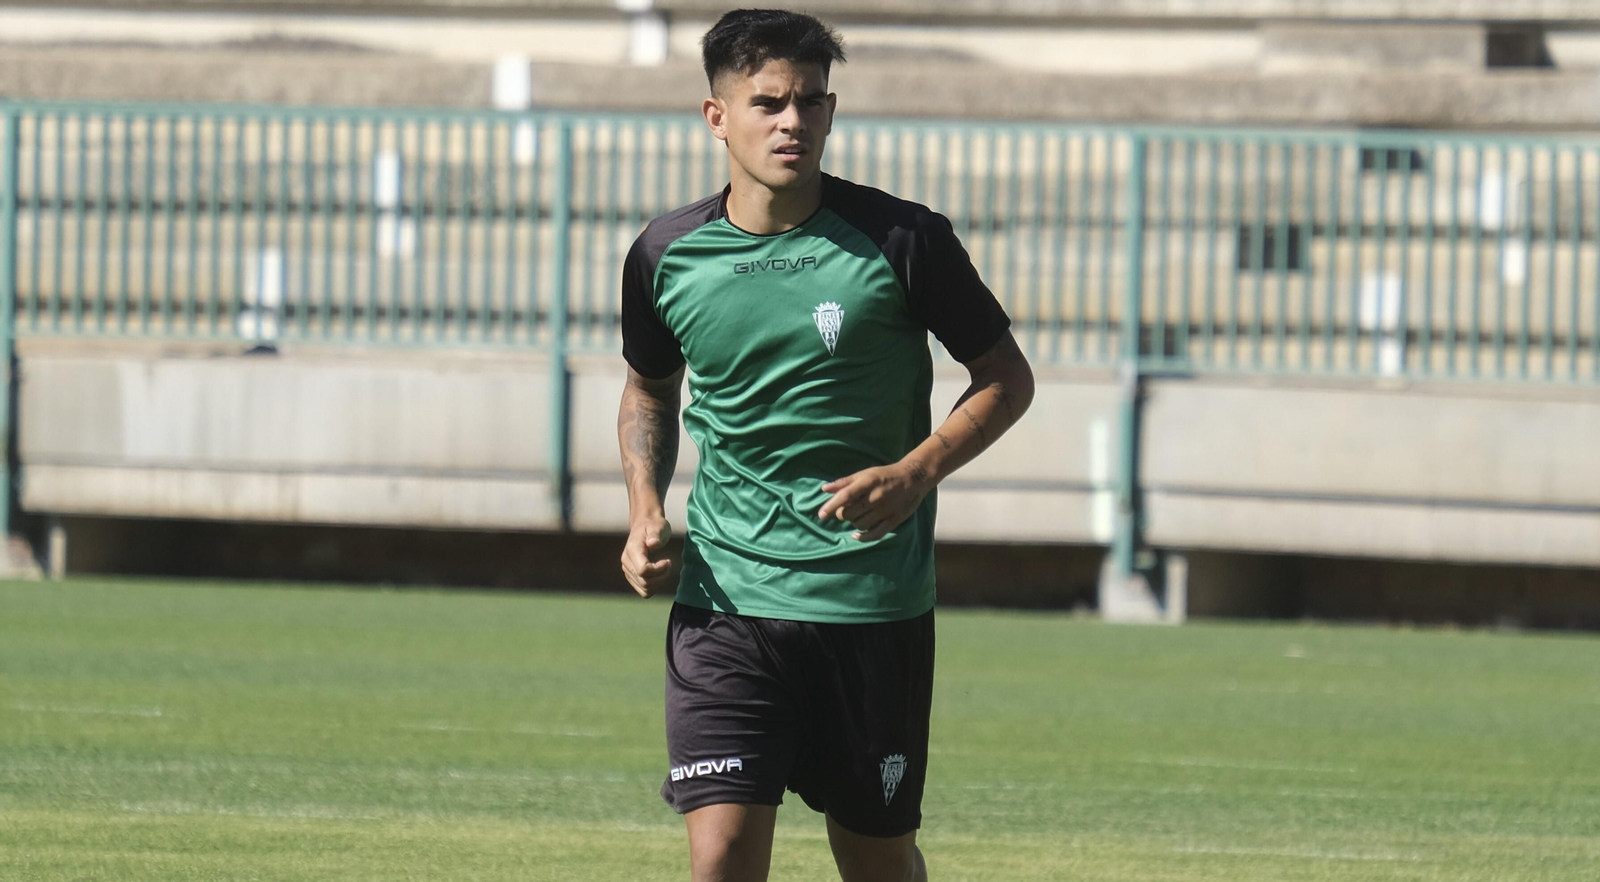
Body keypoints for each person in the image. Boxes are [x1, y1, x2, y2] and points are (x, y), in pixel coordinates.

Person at [616, 9, 1034, 881]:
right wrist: (645, 511)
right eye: (768, 102)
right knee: (722, 856)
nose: (792, 122)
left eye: (810, 102)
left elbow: (1006, 378)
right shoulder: (665, 255)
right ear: (716, 116)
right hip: (727, 603)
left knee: (876, 860)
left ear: (832, 112)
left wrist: (917, 472)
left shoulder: (904, 241)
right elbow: (649, 391)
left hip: (870, 609)